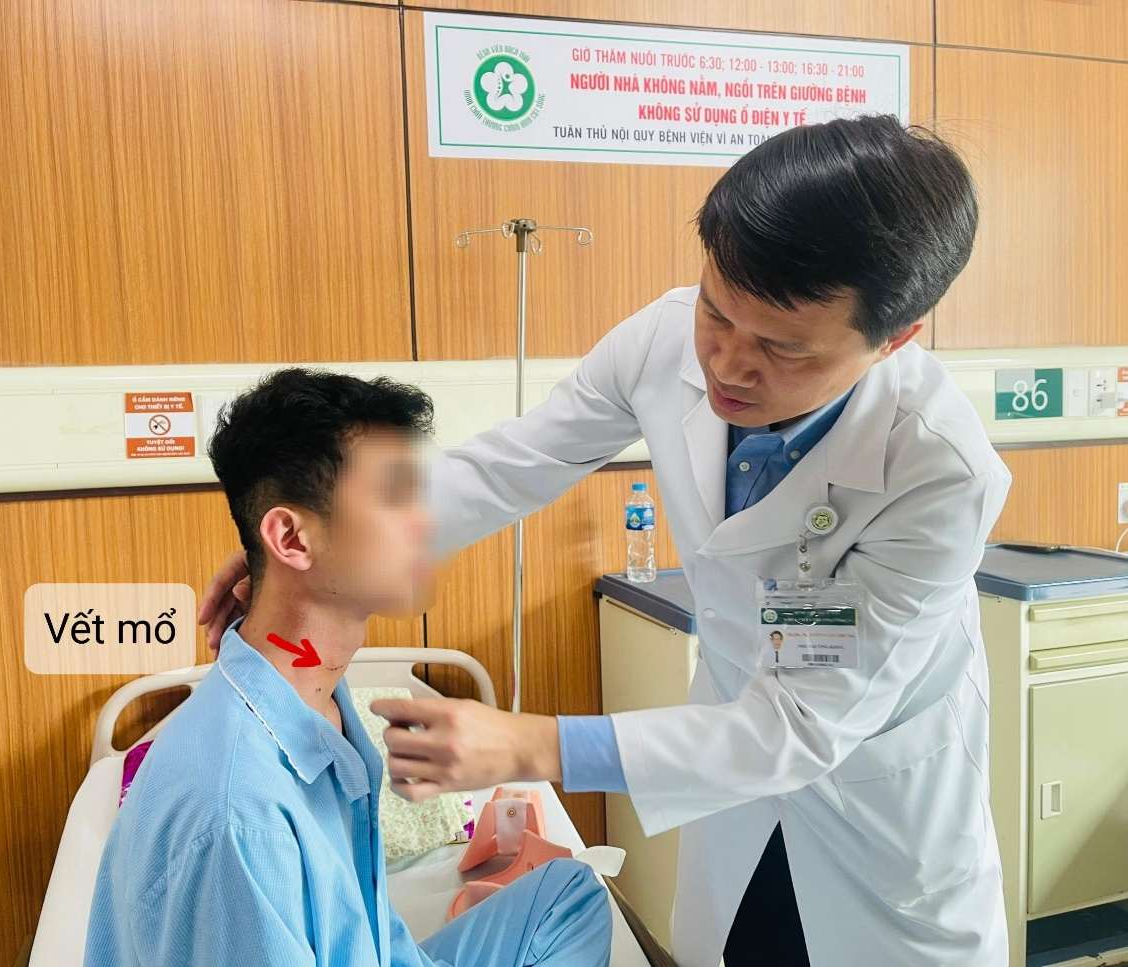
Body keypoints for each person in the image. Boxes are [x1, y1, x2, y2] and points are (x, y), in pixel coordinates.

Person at [199, 115, 1011, 966]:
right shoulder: (664, 339)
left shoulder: (938, 470)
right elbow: (515, 463)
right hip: (733, 774)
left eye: (780, 347)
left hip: (873, 803)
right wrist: (328, 542)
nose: (726, 364)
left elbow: (796, 730)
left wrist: (530, 743)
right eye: (716, 311)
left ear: (894, 337)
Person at [87, 368, 611, 967]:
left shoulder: (315, 702)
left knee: (568, 895)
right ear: (291, 538)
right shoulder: (240, 816)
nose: (430, 525)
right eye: (396, 499)